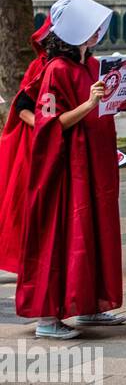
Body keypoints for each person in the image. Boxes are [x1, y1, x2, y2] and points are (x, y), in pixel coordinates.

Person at [18, 0, 126, 340]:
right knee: (66, 232)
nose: (98, 32)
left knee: (96, 229)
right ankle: (48, 317)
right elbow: (49, 123)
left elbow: (102, 107)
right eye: (92, 27)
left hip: (94, 165)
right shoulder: (57, 70)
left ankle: (89, 304)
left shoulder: (90, 65)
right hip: (69, 169)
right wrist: (90, 103)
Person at [0, 16, 53, 274]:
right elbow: (23, 106)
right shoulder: (40, 67)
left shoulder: (84, 66)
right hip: (36, 146)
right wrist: (46, 129)